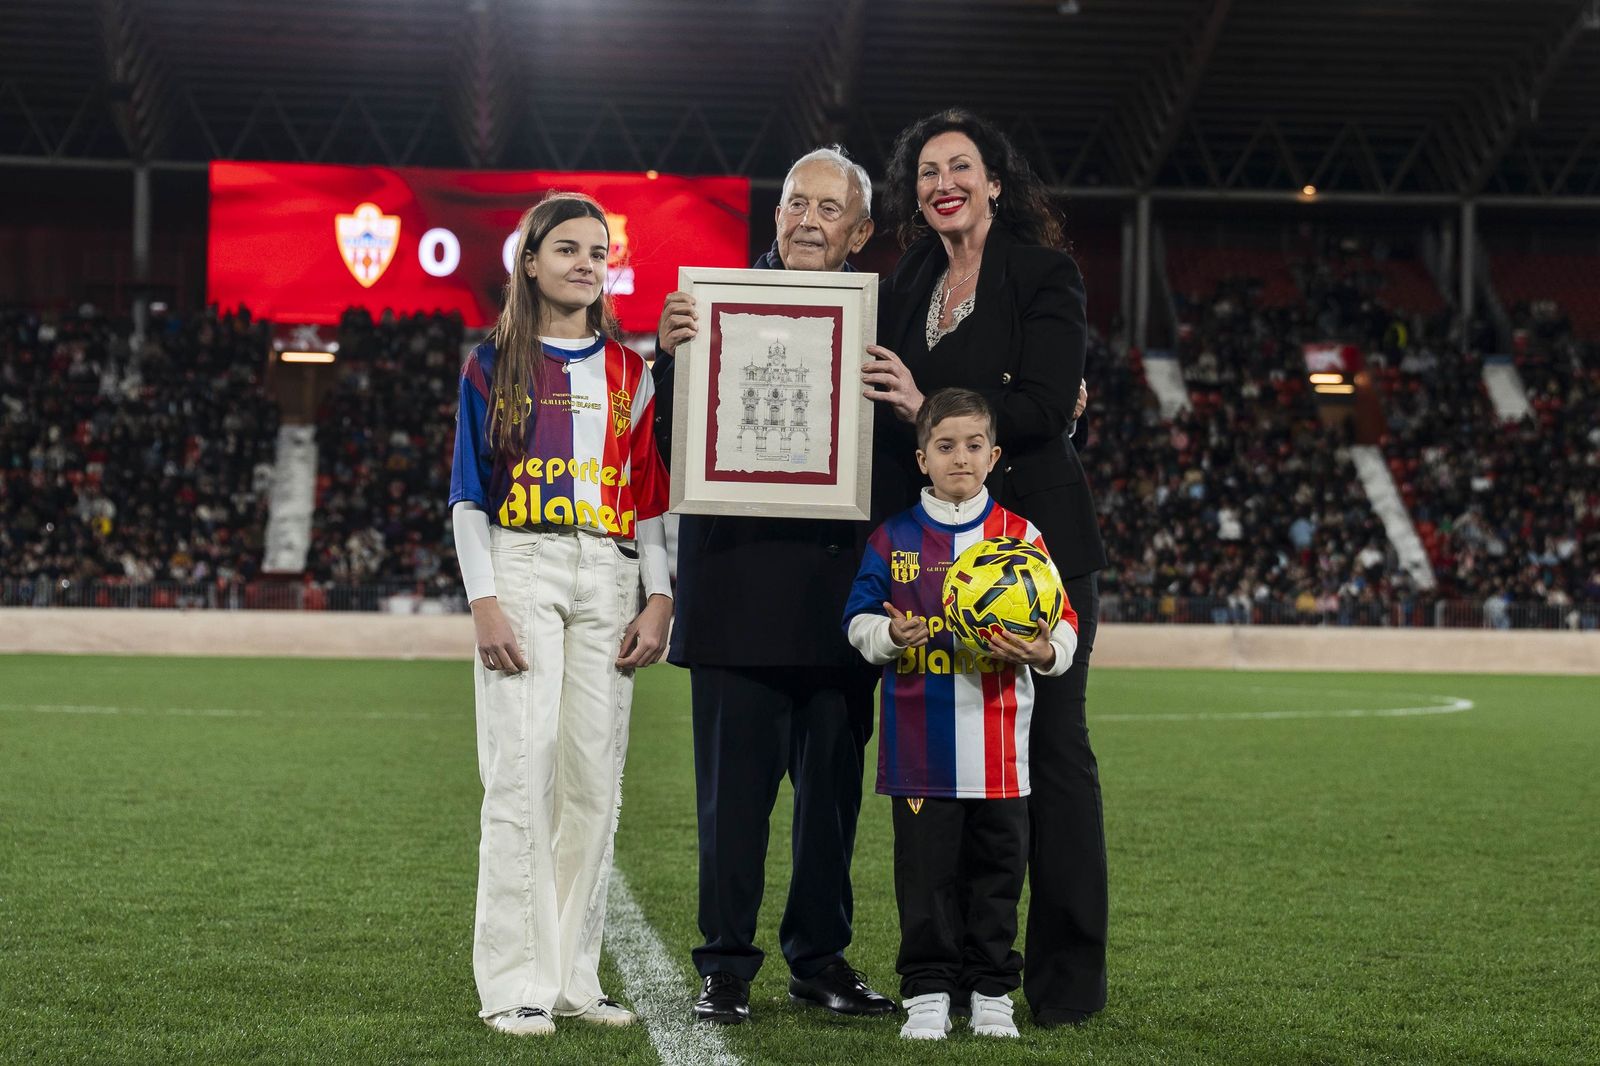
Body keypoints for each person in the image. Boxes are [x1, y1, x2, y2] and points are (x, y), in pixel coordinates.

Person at [862, 108, 1111, 1027]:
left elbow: (1047, 404)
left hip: (1033, 552)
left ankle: (1065, 984)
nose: (942, 183)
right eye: (927, 172)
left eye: (959, 166)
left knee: (1052, 759)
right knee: (951, 771)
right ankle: (956, 977)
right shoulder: (911, 275)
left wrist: (930, 406)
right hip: (931, 561)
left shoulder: (1045, 273)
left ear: (996, 183)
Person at [651, 146, 896, 1025]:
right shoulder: (713, 311)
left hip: (839, 607)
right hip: (733, 597)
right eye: (796, 203)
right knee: (733, 808)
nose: (806, 220)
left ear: (860, 232)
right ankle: (725, 963)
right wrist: (669, 357)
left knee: (829, 810)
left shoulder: (881, 325)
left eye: (829, 210)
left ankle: (819, 960)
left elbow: (902, 467)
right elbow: (671, 452)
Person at [448, 192, 673, 1036]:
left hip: (609, 572)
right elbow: (469, 495)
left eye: (598, 250)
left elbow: (650, 495)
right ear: (531, 261)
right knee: (519, 774)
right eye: (568, 248)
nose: (586, 262)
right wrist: (485, 601)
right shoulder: (492, 361)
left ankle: (575, 978)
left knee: (592, 783)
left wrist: (660, 594)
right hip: (523, 561)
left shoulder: (632, 371)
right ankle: (512, 984)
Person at [842, 388, 1079, 1041]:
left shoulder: (1021, 537)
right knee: (926, 881)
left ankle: (992, 989)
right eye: (945, 446)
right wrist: (892, 639)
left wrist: (1041, 649)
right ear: (922, 457)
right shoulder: (894, 539)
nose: (961, 457)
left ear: (994, 455)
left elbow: (1064, 626)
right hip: (920, 749)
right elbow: (858, 622)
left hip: (1002, 751)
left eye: (974, 445)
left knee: (996, 878)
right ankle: (927, 990)